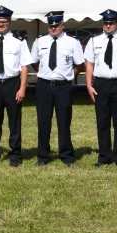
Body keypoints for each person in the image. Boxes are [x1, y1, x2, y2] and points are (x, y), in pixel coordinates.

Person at [0, 6, 33, 167]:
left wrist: (22, 88)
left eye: (3, 21)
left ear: (9, 22)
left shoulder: (19, 40)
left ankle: (15, 155)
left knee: (14, 122)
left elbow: (24, 67)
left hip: (12, 84)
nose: (1, 24)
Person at [31, 11, 85, 166]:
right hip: (44, 85)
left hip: (63, 87)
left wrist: (69, 74)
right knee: (43, 122)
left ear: (62, 25)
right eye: (50, 26)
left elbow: (79, 64)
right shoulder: (39, 42)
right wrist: (45, 72)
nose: (53, 28)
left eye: (56, 25)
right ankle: (43, 156)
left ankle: (66, 156)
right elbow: (34, 62)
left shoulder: (72, 42)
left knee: (64, 122)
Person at [85, 9, 117, 167]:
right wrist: (88, 85)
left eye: (111, 23)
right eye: (106, 23)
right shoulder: (94, 41)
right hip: (101, 84)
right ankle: (104, 157)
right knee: (102, 122)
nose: (108, 26)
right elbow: (89, 65)